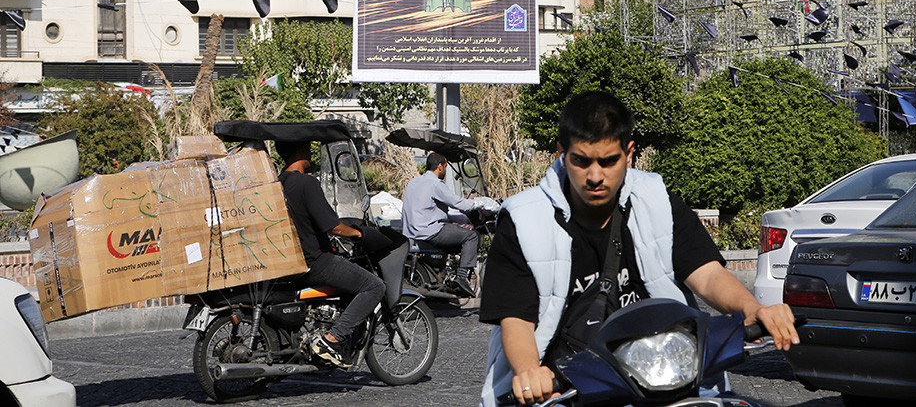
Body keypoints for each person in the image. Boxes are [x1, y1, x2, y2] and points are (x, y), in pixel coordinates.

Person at [479, 91, 798, 406]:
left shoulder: (657, 199)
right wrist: (529, 372)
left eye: (608, 161)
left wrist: (754, 310)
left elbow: (707, 275)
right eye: (581, 161)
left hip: (665, 375)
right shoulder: (523, 218)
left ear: (628, 153)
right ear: (562, 153)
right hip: (567, 387)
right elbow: (516, 319)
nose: (594, 176)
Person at [276, 139, 386, 368]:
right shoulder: (307, 183)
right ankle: (331, 340)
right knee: (374, 286)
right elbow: (332, 226)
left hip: (291, 260)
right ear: (300, 149)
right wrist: (357, 234)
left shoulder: (279, 183)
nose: (310, 151)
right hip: (315, 261)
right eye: (307, 147)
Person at [402, 152, 481, 297]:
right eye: (445, 167)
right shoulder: (436, 184)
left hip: (411, 231)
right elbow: (458, 203)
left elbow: (426, 209)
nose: (445, 170)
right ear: (440, 166)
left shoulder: (413, 182)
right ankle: (462, 278)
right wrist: (479, 204)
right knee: (471, 236)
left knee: (454, 232)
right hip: (429, 231)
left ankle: (445, 272)